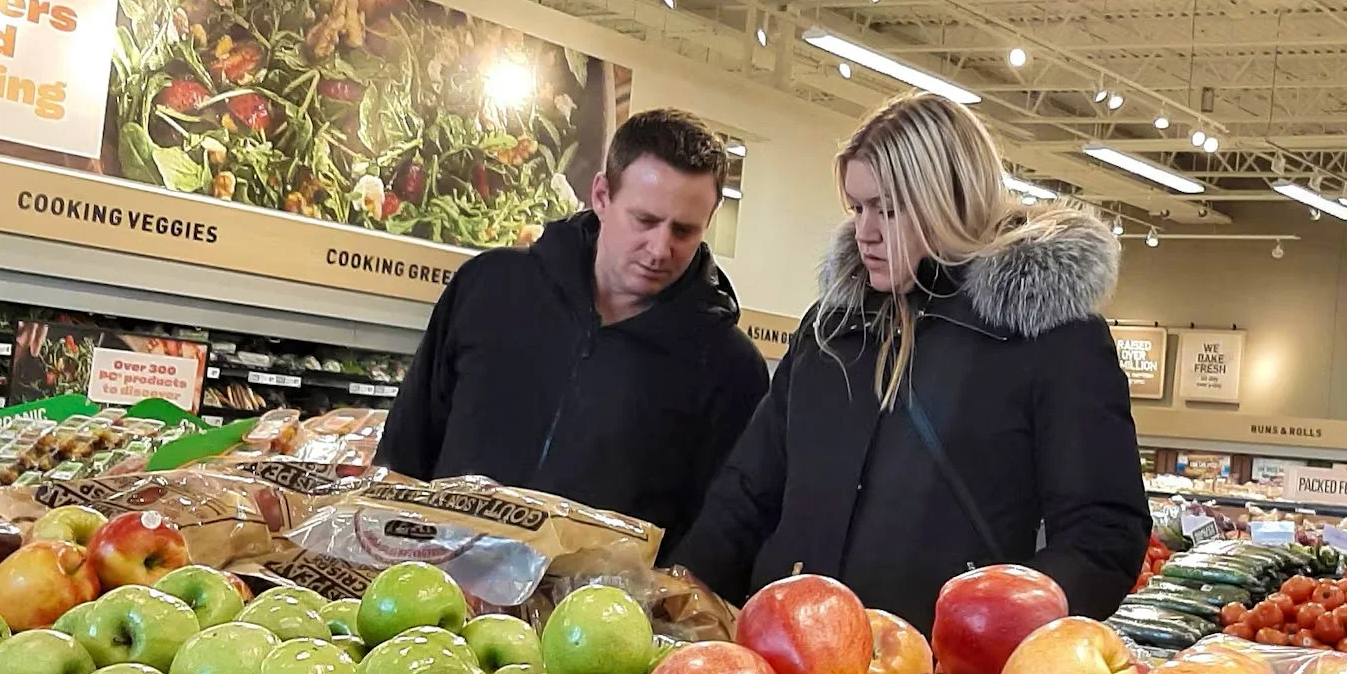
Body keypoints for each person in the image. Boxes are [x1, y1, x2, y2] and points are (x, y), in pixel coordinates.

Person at [671, 93, 1150, 632]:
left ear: (949, 199)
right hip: (789, 655)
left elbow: (1102, 535)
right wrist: (682, 591)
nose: (865, 231)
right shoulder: (832, 328)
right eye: (857, 208)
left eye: (889, 209)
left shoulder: (1049, 337)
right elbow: (747, 492)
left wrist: (999, 629)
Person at [377, 108, 770, 549]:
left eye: (684, 230)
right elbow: (404, 451)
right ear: (601, 195)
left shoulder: (729, 368)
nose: (660, 249)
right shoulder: (489, 288)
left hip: (601, 613)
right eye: (644, 220)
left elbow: (713, 539)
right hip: (435, 596)